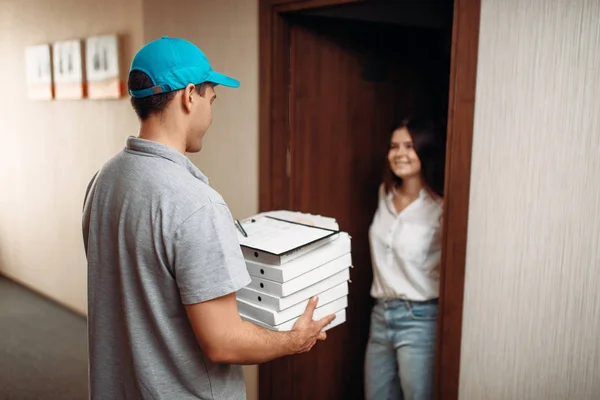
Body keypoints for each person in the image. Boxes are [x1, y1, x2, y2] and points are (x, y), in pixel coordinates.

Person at [82, 36, 335, 400]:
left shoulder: (104, 180)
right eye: (211, 99)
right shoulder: (195, 203)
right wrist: (295, 340)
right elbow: (223, 343)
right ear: (189, 96)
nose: (211, 113)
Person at [364, 117, 445, 400]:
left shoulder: (441, 205)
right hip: (381, 314)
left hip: (421, 318)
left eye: (409, 146)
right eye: (394, 146)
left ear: (426, 150)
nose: (399, 154)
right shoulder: (384, 194)